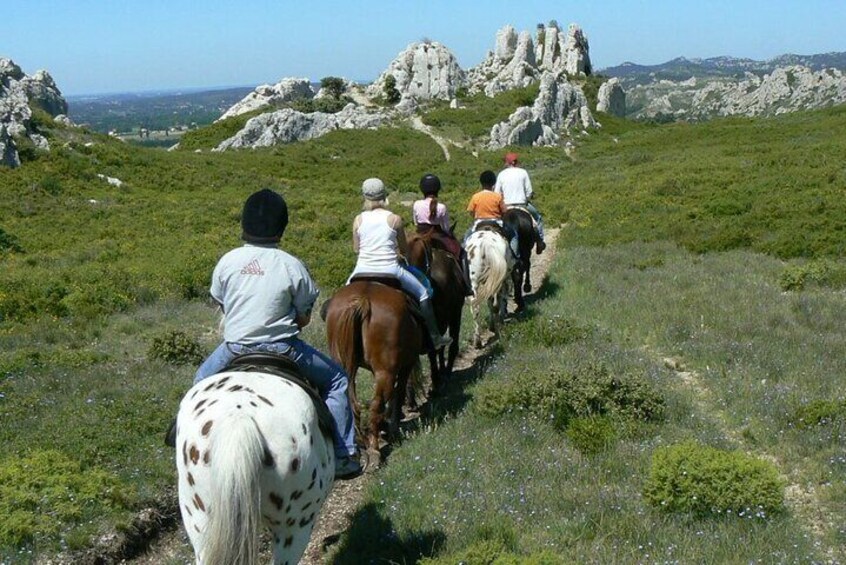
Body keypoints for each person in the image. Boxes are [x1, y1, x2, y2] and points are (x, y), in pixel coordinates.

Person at [192, 188, 362, 480]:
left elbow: (221, 303)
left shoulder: (227, 261)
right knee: (337, 380)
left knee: (198, 386)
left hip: (234, 348)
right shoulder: (291, 265)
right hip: (284, 348)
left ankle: (181, 438)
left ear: (244, 226)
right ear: (281, 228)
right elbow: (304, 317)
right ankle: (343, 454)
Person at [349, 178, 452, 350]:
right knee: (424, 293)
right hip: (390, 269)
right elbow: (404, 250)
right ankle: (435, 337)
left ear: (365, 196)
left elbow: (356, 249)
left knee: (341, 297)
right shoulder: (394, 219)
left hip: (361, 269)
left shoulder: (358, 220)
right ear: (384, 195)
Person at [412, 173, 472, 294]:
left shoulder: (417, 204)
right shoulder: (442, 207)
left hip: (421, 234)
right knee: (461, 252)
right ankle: (466, 284)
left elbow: (415, 222)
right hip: (438, 235)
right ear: (437, 189)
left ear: (422, 189)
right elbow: (445, 228)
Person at [494, 152, 546, 254]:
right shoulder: (523, 172)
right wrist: (526, 199)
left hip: (506, 206)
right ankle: (540, 242)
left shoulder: (501, 174)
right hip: (522, 205)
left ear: (508, 163)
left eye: (505, 161)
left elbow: (496, 193)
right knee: (537, 218)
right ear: (515, 162)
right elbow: (529, 191)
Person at [465, 170, 520, 259]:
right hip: (496, 224)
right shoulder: (497, 196)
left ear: (481, 183)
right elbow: (504, 212)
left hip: (479, 223)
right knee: (514, 235)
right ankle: (515, 258)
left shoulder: (475, 196)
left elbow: (471, 211)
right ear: (493, 183)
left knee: (466, 238)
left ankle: (464, 259)